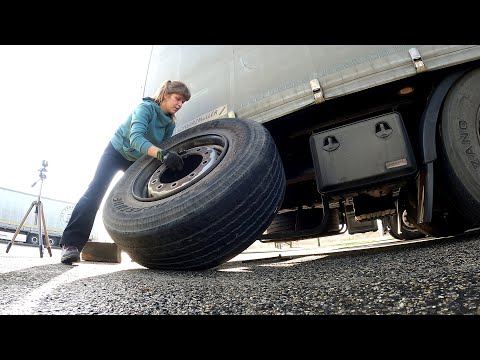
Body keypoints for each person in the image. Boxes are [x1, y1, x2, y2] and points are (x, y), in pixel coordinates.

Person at [59, 80, 191, 265]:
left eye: (183, 102)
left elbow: (162, 146)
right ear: (165, 95)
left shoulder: (170, 123)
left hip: (138, 159)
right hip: (117, 152)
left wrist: (169, 157)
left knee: (144, 199)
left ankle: (140, 250)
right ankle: (71, 245)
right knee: (95, 192)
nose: (180, 104)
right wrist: (163, 155)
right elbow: (136, 138)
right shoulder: (145, 108)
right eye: (178, 99)